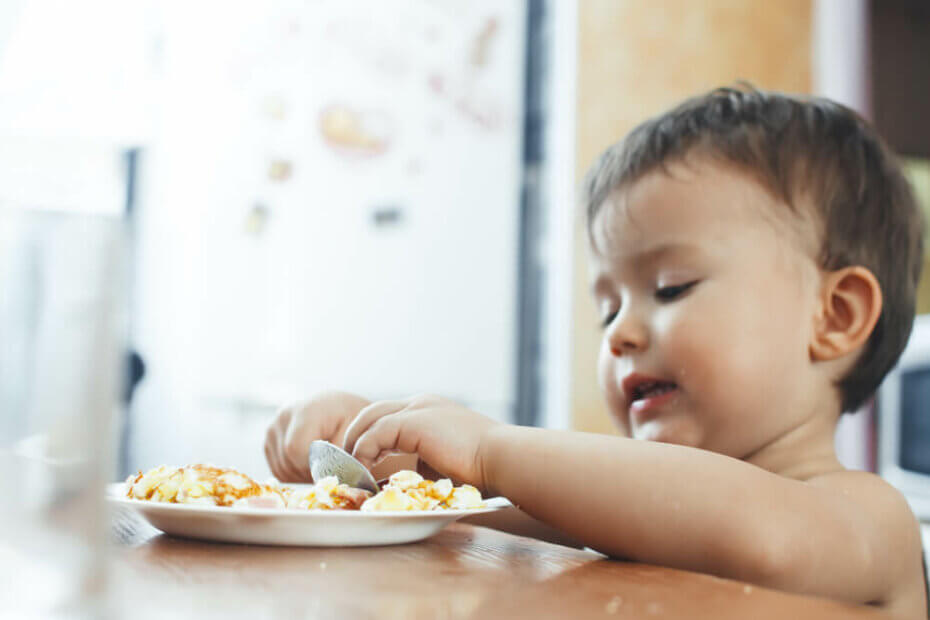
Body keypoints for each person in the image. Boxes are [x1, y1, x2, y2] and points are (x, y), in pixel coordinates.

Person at [265, 86, 927, 617]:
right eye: (606, 306)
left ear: (834, 317)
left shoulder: (871, 518)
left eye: (670, 288)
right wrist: (381, 439)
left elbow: (763, 537)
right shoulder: (622, 512)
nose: (618, 333)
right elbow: (486, 500)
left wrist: (493, 450)